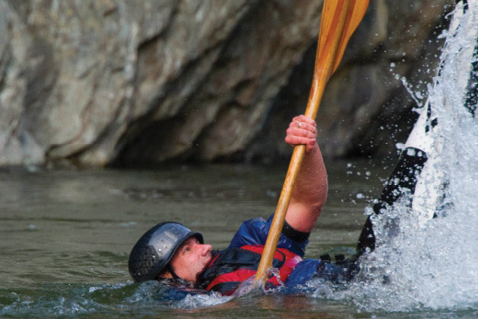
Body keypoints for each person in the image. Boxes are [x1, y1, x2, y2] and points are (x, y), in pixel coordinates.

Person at [128, 114, 356, 297]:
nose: (206, 247)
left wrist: (309, 148)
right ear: (168, 276)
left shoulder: (253, 240)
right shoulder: (200, 300)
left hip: (349, 278)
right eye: (188, 250)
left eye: (196, 243)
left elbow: (307, 203)